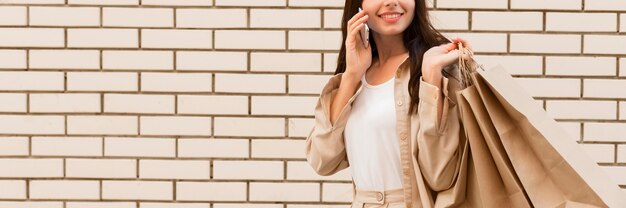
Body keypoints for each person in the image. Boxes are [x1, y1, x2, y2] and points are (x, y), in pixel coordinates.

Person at [305, 0, 474, 207]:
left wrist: (432, 79)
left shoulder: (439, 67)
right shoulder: (356, 74)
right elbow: (322, 160)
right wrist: (351, 75)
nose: (392, 2)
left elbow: (441, 177)